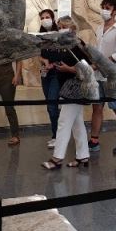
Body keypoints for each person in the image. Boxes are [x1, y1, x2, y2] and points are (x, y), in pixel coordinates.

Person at [42, 16, 93, 169]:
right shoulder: (63, 44)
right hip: (66, 87)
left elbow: (89, 67)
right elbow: (49, 55)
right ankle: (83, 156)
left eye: (64, 26)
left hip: (75, 88)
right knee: (77, 124)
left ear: (72, 28)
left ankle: (57, 158)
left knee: (63, 122)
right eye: (59, 27)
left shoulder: (77, 44)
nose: (61, 29)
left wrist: (69, 69)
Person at [88, 0, 116, 155]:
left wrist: (98, 65)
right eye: (103, 7)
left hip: (113, 77)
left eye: (107, 8)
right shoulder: (99, 28)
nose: (104, 10)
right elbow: (98, 51)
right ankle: (94, 141)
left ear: (115, 11)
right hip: (98, 76)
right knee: (97, 107)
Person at [38, 8, 64, 148]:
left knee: (52, 105)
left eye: (47, 17)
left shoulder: (59, 35)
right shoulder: (40, 36)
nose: (45, 20)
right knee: (50, 106)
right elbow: (39, 54)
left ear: (53, 18)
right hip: (45, 74)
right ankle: (57, 134)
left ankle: (57, 136)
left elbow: (62, 55)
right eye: (42, 18)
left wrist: (52, 65)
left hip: (56, 73)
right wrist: (44, 61)